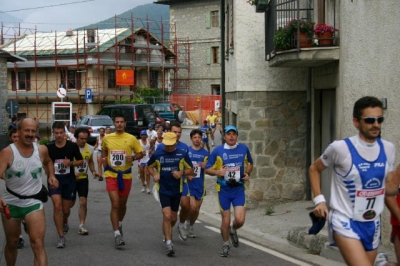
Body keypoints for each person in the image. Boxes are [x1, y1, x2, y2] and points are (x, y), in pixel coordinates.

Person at [309, 96, 400, 266]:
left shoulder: (388, 149)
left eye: (379, 119)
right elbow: (314, 169)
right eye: (370, 120)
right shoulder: (340, 148)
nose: (376, 124)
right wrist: (319, 200)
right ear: (356, 122)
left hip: (372, 223)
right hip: (344, 221)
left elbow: (387, 188)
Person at [0, 117, 58, 266]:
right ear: (18, 132)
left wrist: (51, 175)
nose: (30, 134)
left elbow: (48, 161)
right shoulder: (7, 153)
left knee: (38, 243)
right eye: (27, 130)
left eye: (33, 131)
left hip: (34, 201)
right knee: (12, 242)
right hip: (11, 202)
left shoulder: (41, 150)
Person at [205, 125, 253, 257]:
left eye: (234, 134)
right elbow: (207, 168)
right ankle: (225, 244)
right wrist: (217, 172)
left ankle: (233, 230)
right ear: (224, 136)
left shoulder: (243, 148)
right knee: (225, 220)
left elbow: (250, 162)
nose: (231, 136)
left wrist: (248, 173)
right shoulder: (218, 151)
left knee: (240, 220)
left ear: (237, 135)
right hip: (224, 190)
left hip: (238, 189)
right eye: (228, 134)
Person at [147, 132, 194, 256]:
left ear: (175, 142)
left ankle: (168, 231)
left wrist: (181, 173)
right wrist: (154, 174)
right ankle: (169, 243)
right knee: (167, 216)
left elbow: (191, 169)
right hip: (163, 189)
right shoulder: (158, 153)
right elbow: (149, 166)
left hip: (177, 190)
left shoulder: (182, 154)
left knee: (173, 217)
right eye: (166, 145)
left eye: (170, 145)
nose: (168, 147)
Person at [101, 114, 143, 248]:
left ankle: (119, 223)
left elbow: (141, 153)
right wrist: (104, 161)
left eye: (121, 122)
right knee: (115, 204)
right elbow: (104, 150)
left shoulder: (131, 138)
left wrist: (134, 157)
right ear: (114, 124)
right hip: (111, 174)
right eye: (117, 122)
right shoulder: (107, 138)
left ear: (125, 124)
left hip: (125, 175)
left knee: (122, 204)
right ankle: (116, 234)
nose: (119, 124)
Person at [46, 121, 84, 248]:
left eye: (61, 132)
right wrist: (50, 175)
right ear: (53, 133)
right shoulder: (48, 147)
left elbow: (80, 161)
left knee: (66, 210)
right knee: (57, 207)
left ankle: (65, 220)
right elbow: (45, 162)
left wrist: (71, 164)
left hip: (69, 180)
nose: (59, 135)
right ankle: (61, 237)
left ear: (64, 132)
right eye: (56, 133)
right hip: (55, 181)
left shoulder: (72, 146)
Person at [157, 122, 191, 241]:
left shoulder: (184, 147)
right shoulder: (161, 147)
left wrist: (185, 173)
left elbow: (189, 166)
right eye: (174, 132)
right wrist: (156, 174)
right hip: (166, 184)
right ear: (169, 132)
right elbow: (155, 164)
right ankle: (167, 232)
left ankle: (181, 225)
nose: (177, 134)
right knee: (170, 216)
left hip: (182, 182)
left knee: (187, 206)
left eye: (179, 132)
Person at [73, 127, 99, 235]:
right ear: (76, 138)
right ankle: (64, 220)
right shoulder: (70, 148)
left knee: (83, 202)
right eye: (81, 139)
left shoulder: (90, 148)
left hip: (83, 178)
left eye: (85, 139)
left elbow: (90, 161)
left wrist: (93, 171)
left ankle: (82, 225)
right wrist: (72, 172)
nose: (83, 141)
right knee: (68, 205)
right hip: (71, 179)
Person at [186, 129, 210, 238]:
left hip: (200, 185)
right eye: (195, 137)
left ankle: (191, 225)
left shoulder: (205, 153)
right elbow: (180, 167)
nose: (197, 139)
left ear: (202, 138)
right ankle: (186, 222)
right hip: (189, 184)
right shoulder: (187, 151)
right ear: (191, 139)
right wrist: (187, 175)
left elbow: (211, 169)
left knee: (197, 210)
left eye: (199, 137)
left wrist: (207, 167)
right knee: (193, 207)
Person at [138, 130, 152, 194]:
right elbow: (135, 150)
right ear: (140, 135)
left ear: (146, 135)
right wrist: (140, 152)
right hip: (141, 159)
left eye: (144, 135)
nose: (143, 136)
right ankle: (143, 185)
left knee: (147, 173)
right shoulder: (138, 142)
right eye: (142, 135)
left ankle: (148, 187)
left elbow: (152, 147)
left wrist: (150, 151)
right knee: (141, 173)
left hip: (147, 158)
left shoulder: (149, 141)